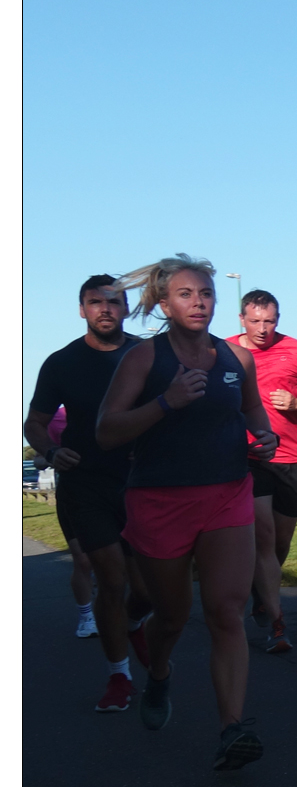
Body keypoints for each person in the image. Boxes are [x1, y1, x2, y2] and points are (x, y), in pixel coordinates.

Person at [96, 254, 278, 771]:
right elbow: (107, 432)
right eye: (185, 294)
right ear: (163, 303)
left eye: (205, 294)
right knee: (172, 614)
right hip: (159, 499)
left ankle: (231, 729)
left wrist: (261, 437)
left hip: (226, 492)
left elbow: (251, 410)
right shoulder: (143, 361)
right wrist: (166, 403)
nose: (199, 303)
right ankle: (157, 675)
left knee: (225, 610)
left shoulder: (234, 359)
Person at [24, 276, 152, 710]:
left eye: (113, 302)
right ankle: (119, 676)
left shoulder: (146, 354)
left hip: (140, 482)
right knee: (111, 580)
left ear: (126, 307)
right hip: (87, 483)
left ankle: (135, 623)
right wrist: (51, 451)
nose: (104, 309)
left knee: (148, 588)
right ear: (82, 309)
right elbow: (35, 423)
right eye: (95, 302)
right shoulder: (62, 363)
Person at [226, 289, 297, 653]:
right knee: (263, 535)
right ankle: (278, 624)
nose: (263, 328)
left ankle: (263, 592)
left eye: (270, 321)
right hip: (248, 455)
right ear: (241, 320)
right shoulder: (225, 351)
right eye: (255, 321)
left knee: (280, 542)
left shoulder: (296, 350)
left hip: (290, 454)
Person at [35, 406, 97, 637]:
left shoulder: (119, 401)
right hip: (74, 493)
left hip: (114, 491)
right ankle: (86, 616)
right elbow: (42, 455)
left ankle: (122, 612)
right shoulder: (56, 416)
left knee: (121, 561)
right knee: (82, 559)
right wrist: (48, 457)